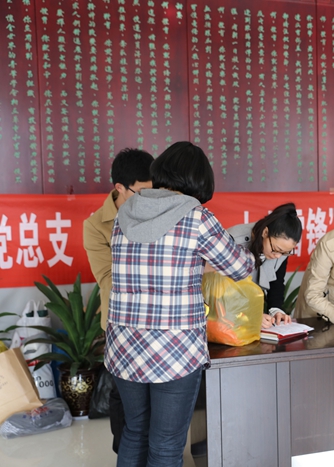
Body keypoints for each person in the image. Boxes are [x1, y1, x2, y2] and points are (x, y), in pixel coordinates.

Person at [104, 141, 255, 467]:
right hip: (174, 351)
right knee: (166, 445)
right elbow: (239, 268)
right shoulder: (196, 217)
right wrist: (248, 247)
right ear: (199, 182)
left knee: (135, 431)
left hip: (124, 346)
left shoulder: (125, 214)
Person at [83, 147, 153, 454]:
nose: (149, 200)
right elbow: (108, 278)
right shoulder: (96, 225)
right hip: (121, 324)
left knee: (157, 405)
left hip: (159, 322)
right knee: (126, 405)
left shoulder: (160, 211)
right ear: (120, 188)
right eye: (142, 193)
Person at [227, 203, 302, 328]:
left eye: (285, 253)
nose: (278, 256)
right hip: (226, 314)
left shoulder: (281, 250)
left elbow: (276, 282)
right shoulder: (233, 240)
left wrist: (276, 310)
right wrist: (249, 313)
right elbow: (222, 290)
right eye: (276, 250)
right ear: (265, 232)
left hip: (254, 313)